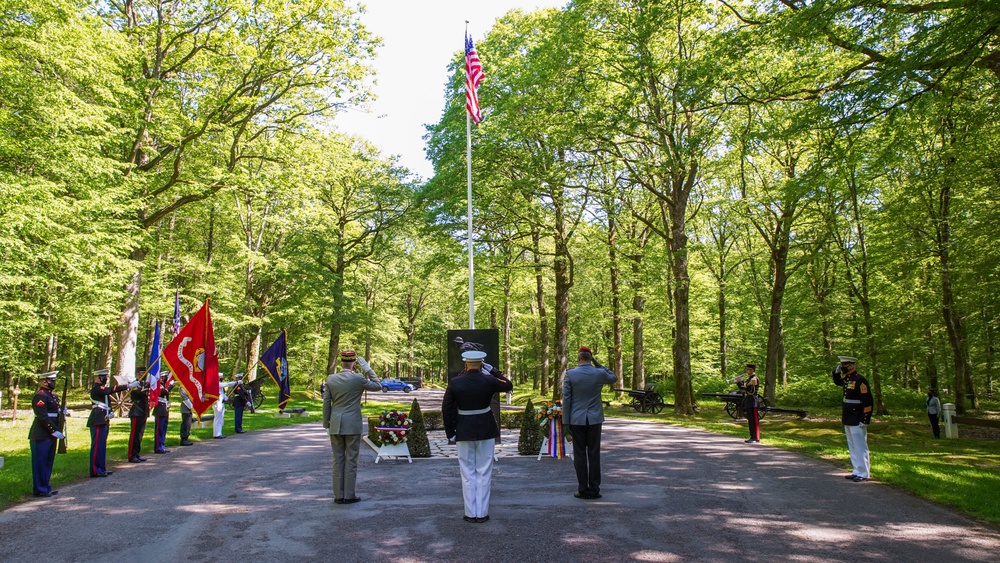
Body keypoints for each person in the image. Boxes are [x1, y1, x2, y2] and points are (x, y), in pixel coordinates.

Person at [442, 350, 513, 523]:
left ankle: (469, 513)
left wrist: (450, 432)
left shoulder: (455, 382)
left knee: (467, 472)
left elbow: (446, 409)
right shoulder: (489, 380)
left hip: (464, 430)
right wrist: (494, 371)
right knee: (484, 471)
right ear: (482, 364)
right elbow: (508, 385)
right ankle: (482, 513)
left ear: (466, 364)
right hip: (486, 429)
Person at [323, 350, 381, 504]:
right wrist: (368, 369)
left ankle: (338, 495)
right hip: (352, 424)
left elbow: (326, 403)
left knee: (337, 460)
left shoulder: (331, 379)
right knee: (351, 460)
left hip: (335, 423)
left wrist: (326, 423)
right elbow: (377, 386)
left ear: (341, 362)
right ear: (354, 364)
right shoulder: (358, 378)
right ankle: (349, 495)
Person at [563, 347, 617, 500]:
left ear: (579, 358)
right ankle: (594, 489)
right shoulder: (599, 373)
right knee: (594, 454)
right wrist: (599, 364)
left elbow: (567, 399)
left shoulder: (570, 374)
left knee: (579, 454)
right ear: (590, 358)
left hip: (576, 420)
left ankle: (582, 488)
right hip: (594, 420)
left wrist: (566, 421)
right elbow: (613, 378)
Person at [832, 355, 873, 482]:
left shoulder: (860, 380)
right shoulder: (848, 379)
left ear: (852, 365)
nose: (843, 367)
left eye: (845, 365)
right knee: (852, 445)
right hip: (848, 417)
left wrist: (865, 419)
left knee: (860, 446)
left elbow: (867, 402)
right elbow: (838, 381)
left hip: (857, 418)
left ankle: (864, 472)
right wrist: (836, 372)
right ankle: (856, 469)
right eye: (842, 365)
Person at [87, 369, 135, 476]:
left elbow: (106, 401)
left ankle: (101, 468)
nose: (105, 379)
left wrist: (111, 412)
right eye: (103, 377)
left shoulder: (103, 389)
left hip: (104, 418)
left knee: (102, 445)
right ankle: (95, 470)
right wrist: (127, 386)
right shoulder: (96, 389)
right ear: (97, 378)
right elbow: (109, 390)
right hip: (97, 419)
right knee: (97, 446)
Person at [29, 371, 64, 497]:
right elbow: (43, 416)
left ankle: (46, 486)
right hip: (41, 434)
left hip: (50, 434)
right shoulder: (40, 396)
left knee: (48, 461)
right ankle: (40, 489)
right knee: (40, 463)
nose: (54, 383)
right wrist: (54, 430)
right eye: (52, 381)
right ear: (44, 382)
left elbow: (54, 413)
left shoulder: (52, 395)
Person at [127, 375, 150, 463]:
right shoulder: (134, 383)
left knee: (140, 433)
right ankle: (131, 455)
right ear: (137, 374)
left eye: (144, 373)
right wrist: (146, 389)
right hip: (136, 409)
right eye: (141, 373)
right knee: (134, 434)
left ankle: (136, 453)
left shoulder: (144, 384)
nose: (143, 375)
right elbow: (140, 393)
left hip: (143, 409)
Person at [153, 374, 174, 453]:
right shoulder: (158, 385)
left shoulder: (163, 385)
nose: (165, 379)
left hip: (164, 408)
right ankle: (158, 447)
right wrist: (171, 385)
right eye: (164, 377)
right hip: (159, 408)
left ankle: (162, 445)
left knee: (163, 429)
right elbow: (164, 392)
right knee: (159, 429)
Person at [213, 374, 237, 439]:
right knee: (218, 418)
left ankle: (219, 432)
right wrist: (236, 382)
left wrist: (225, 397)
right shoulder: (216, 383)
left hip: (221, 402)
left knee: (221, 418)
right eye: (221, 377)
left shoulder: (220, 384)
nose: (222, 378)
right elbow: (227, 384)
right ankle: (217, 434)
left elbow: (222, 393)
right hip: (217, 403)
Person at [742, 363, 761, 444]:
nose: (747, 371)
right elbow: (744, 387)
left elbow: (750, 389)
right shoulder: (749, 378)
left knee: (754, 420)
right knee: (750, 420)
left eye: (748, 369)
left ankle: (755, 437)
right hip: (749, 400)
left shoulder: (754, 378)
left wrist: (741, 383)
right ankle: (752, 436)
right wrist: (739, 383)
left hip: (753, 400)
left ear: (752, 370)